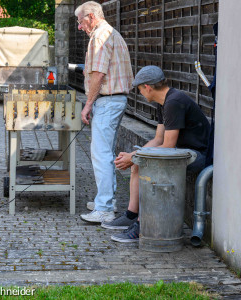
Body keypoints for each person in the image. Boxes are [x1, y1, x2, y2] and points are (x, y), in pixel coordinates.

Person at [101, 65, 211, 243]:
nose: (141, 94)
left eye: (139, 90)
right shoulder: (165, 102)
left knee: (148, 165)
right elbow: (158, 140)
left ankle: (142, 224)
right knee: (139, 162)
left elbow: (167, 146)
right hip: (180, 152)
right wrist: (133, 155)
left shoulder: (174, 102)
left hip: (197, 156)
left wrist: (136, 157)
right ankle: (131, 215)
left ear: (147, 87)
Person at [75, 1, 134, 223]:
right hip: (114, 100)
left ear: (90, 16)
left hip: (108, 101)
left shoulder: (100, 35)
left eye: (80, 21)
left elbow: (98, 74)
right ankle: (106, 199)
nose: (80, 27)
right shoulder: (112, 32)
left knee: (100, 154)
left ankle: (105, 208)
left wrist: (88, 104)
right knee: (105, 153)